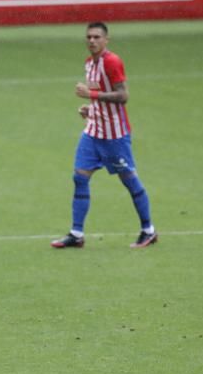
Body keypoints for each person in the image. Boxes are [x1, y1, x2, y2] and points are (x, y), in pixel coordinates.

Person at [52, 21, 157, 250]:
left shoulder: (112, 61)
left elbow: (123, 95)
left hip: (115, 136)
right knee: (80, 177)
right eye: (89, 37)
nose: (92, 41)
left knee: (129, 180)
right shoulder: (89, 63)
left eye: (97, 37)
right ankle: (76, 234)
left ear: (106, 39)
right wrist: (91, 109)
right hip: (93, 132)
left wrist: (91, 94)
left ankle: (149, 230)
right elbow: (100, 97)